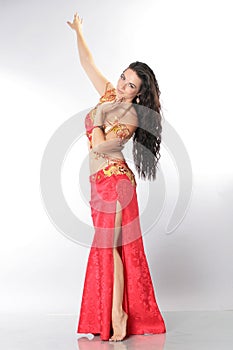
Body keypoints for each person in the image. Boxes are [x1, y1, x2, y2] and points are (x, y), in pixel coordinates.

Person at [67, 12, 166, 342]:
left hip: (116, 184)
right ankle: (111, 314)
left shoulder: (132, 115)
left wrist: (96, 119)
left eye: (131, 85)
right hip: (98, 185)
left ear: (138, 94)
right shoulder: (109, 95)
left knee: (110, 248)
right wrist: (79, 32)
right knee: (109, 248)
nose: (123, 85)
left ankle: (119, 316)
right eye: (123, 78)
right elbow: (87, 63)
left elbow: (101, 146)